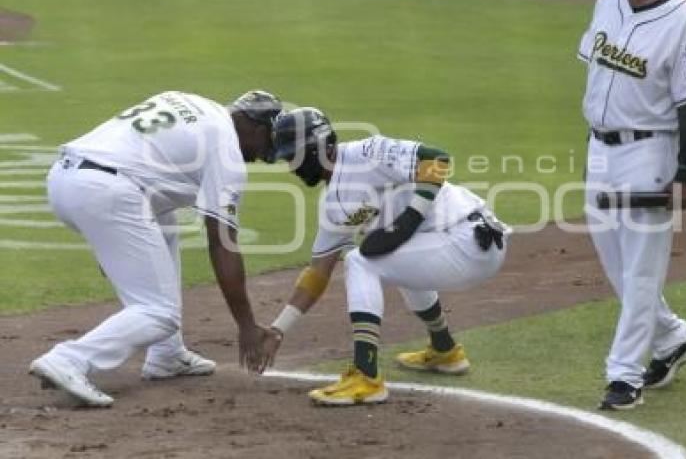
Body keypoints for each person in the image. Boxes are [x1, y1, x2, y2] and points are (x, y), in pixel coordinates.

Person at [30, 90, 283, 407]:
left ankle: (167, 354)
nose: (260, 156)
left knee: (166, 225)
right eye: (266, 146)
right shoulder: (227, 151)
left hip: (66, 178)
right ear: (258, 128)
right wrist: (246, 326)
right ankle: (71, 359)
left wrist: (118, 252)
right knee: (158, 311)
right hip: (107, 191)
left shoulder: (196, 104)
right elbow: (222, 243)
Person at [256, 107, 509, 405]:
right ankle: (445, 350)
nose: (291, 166)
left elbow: (436, 158)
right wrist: (278, 329)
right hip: (455, 246)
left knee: (360, 261)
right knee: (390, 253)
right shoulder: (332, 206)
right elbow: (317, 273)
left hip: (469, 240)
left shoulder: (368, 152)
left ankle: (367, 377)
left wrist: (411, 218)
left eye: (292, 156)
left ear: (315, 148)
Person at [577, 0, 686, 410]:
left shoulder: (683, 20)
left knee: (639, 272)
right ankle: (673, 337)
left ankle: (625, 377)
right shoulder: (607, 3)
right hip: (600, 150)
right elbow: (597, 76)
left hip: (651, 153)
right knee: (618, 267)